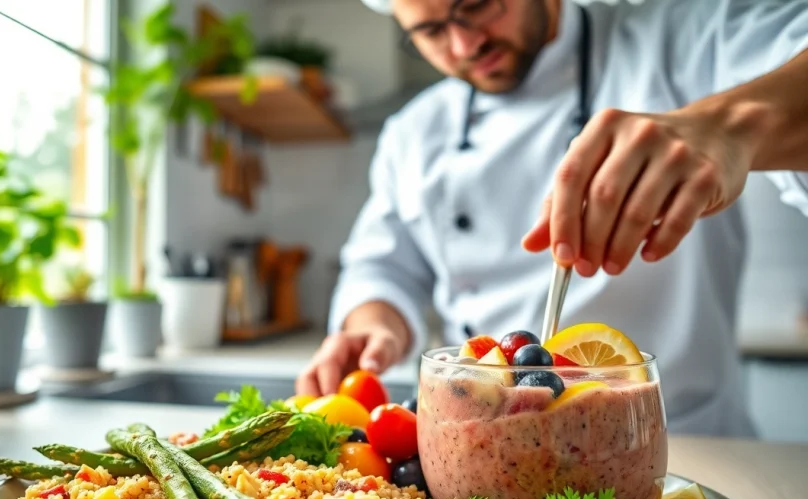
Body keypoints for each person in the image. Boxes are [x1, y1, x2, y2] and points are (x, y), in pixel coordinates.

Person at [295, 0, 808, 437]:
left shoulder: (680, 39)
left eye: (476, 4)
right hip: (482, 448)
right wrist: (372, 327)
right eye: (429, 30)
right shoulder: (415, 132)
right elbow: (384, 268)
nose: (463, 44)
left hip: (684, 446)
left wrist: (731, 127)